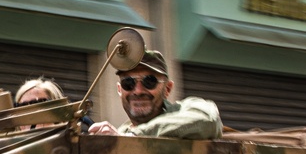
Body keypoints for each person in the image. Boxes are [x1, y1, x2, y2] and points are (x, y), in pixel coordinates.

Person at [87, 50, 221, 139]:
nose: (138, 91)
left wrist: (135, 136)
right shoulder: (121, 133)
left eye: (149, 82)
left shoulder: (185, 111)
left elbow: (208, 120)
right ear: (119, 89)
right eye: (128, 83)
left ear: (167, 88)